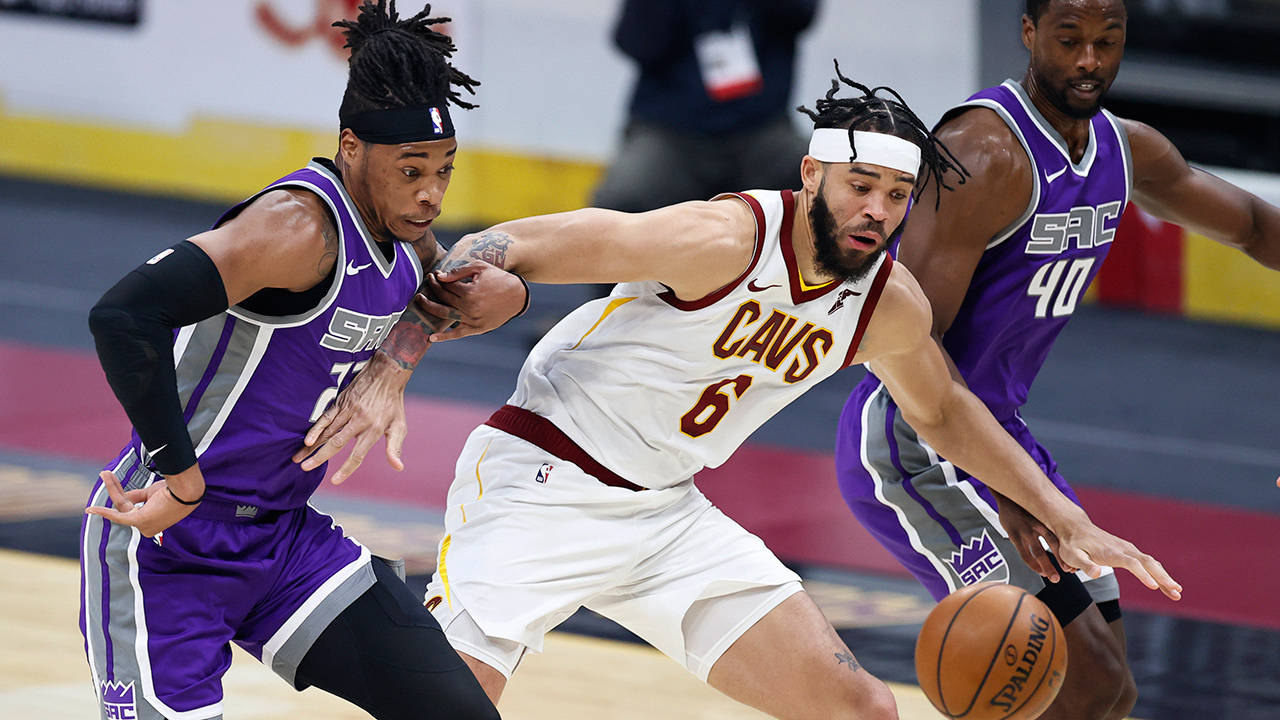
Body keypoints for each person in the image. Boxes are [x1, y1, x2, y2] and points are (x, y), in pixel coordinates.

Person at [297, 65, 1181, 719]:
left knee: (863, 710)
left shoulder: (887, 305)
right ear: (811, 179)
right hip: (540, 484)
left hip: (667, 517)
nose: (877, 210)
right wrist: (392, 364)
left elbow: (943, 411)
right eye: (861, 187)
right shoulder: (720, 237)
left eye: (898, 194)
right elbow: (511, 242)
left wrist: (1064, 519)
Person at [833, 2, 1280, 720]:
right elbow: (908, 344)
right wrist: (1013, 491)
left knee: (1109, 693)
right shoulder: (984, 152)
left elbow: (1256, 227)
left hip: (999, 437)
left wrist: (1017, 476)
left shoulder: (1126, 150)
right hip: (916, 442)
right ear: (1030, 33)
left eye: (1108, 41)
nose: (1088, 62)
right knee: (1077, 685)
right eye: (1070, 40)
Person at [79, 2, 525, 719]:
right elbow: (124, 315)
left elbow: (481, 293)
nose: (431, 193)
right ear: (351, 147)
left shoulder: (407, 239)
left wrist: (402, 360)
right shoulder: (296, 229)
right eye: (411, 170)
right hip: (170, 540)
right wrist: (181, 477)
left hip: (286, 541)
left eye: (444, 170)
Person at [591, 0, 817, 214]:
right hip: (668, 132)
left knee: (821, 185)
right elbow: (637, 43)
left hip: (762, 130)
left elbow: (801, 13)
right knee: (622, 201)